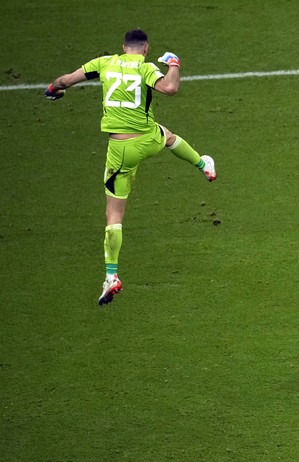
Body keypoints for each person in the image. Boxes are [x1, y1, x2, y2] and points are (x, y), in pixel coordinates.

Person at [44, 29, 216, 306]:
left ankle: (111, 276)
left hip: (121, 150)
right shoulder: (146, 67)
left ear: (123, 46)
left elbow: (66, 80)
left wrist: (53, 89)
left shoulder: (104, 63)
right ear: (146, 49)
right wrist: (173, 64)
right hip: (148, 138)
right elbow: (170, 87)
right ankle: (202, 163)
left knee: (114, 214)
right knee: (167, 135)